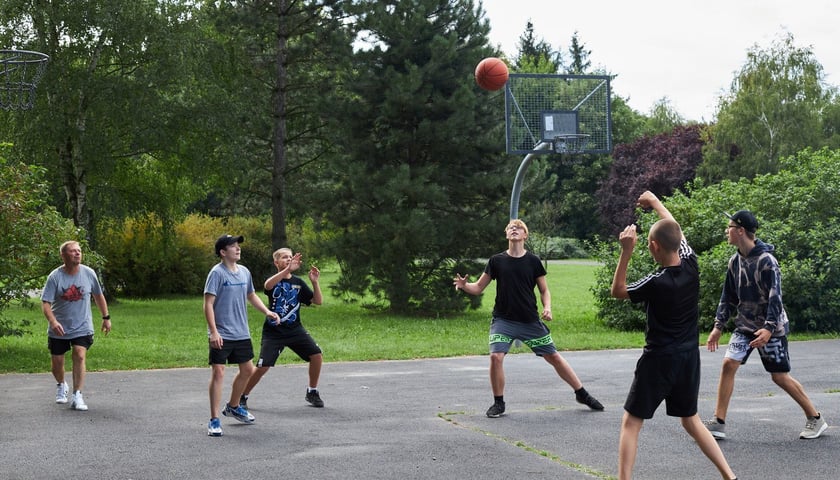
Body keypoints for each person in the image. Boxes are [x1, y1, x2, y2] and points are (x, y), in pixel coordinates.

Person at [610, 191, 737, 480]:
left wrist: (626, 251)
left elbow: (618, 291)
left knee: (631, 421)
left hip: (659, 360)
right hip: (688, 357)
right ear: (679, 245)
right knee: (691, 420)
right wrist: (655, 203)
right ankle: (730, 476)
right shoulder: (691, 266)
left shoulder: (657, 282)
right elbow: (673, 226)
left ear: (652, 246)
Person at [453, 218, 603, 418]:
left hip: (530, 322)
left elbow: (544, 290)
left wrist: (547, 307)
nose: (514, 229)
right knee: (495, 356)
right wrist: (465, 286)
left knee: (554, 357)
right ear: (507, 235)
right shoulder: (496, 261)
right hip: (503, 320)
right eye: (510, 228)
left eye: (518, 228)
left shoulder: (533, 261)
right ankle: (499, 403)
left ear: (525, 235)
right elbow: (478, 287)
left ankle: (582, 394)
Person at [704, 210, 828, 440]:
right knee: (729, 364)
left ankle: (815, 418)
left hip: (771, 329)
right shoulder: (734, 261)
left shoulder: (767, 261)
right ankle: (718, 422)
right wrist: (718, 326)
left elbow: (775, 298)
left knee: (779, 377)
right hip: (745, 326)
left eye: (730, 227)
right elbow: (728, 296)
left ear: (741, 231)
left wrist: (769, 328)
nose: (726, 231)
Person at [204, 234, 279, 437]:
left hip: (241, 332)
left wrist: (267, 311)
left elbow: (251, 295)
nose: (238, 249)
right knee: (218, 372)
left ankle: (234, 406)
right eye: (233, 246)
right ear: (222, 252)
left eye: (238, 246)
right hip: (222, 333)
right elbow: (208, 304)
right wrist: (214, 332)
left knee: (248, 370)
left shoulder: (244, 272)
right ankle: (214, 420)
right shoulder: (216, 273)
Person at [241, 248, 325, 408]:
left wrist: (315, 282)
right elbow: (267, 285)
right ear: (276, 262)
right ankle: (242, 396)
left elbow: (318, 301)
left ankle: (312, 391)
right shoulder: (274, 281)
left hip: (295, 330)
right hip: (274, 332)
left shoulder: (298, 283)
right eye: (284, 257)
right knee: (263, 366)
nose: (288, 259)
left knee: (316, 355)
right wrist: (287, 269)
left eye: (290, 257)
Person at [41, 240, 111, 412]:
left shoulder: (88, 273)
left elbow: (98, 295)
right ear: (63, 255)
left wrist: (106, 317)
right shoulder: (55, 277)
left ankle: (77, 395)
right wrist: (53, 321)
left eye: (79, 250)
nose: (77, 253)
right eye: (73, 251)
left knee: (79, 355)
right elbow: (45, 303)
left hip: (82, 325)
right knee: (57, 363)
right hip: (59, 327)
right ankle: (61, 384)